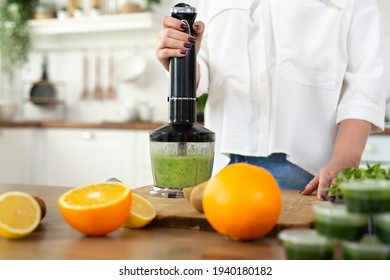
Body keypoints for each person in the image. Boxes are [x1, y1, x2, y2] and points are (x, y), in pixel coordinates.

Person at [155, 0, 386, 200]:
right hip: (222, 169)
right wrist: (180, 62)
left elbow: (364, 83)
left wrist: (345, 159)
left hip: (309, 175)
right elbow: (205, 70)